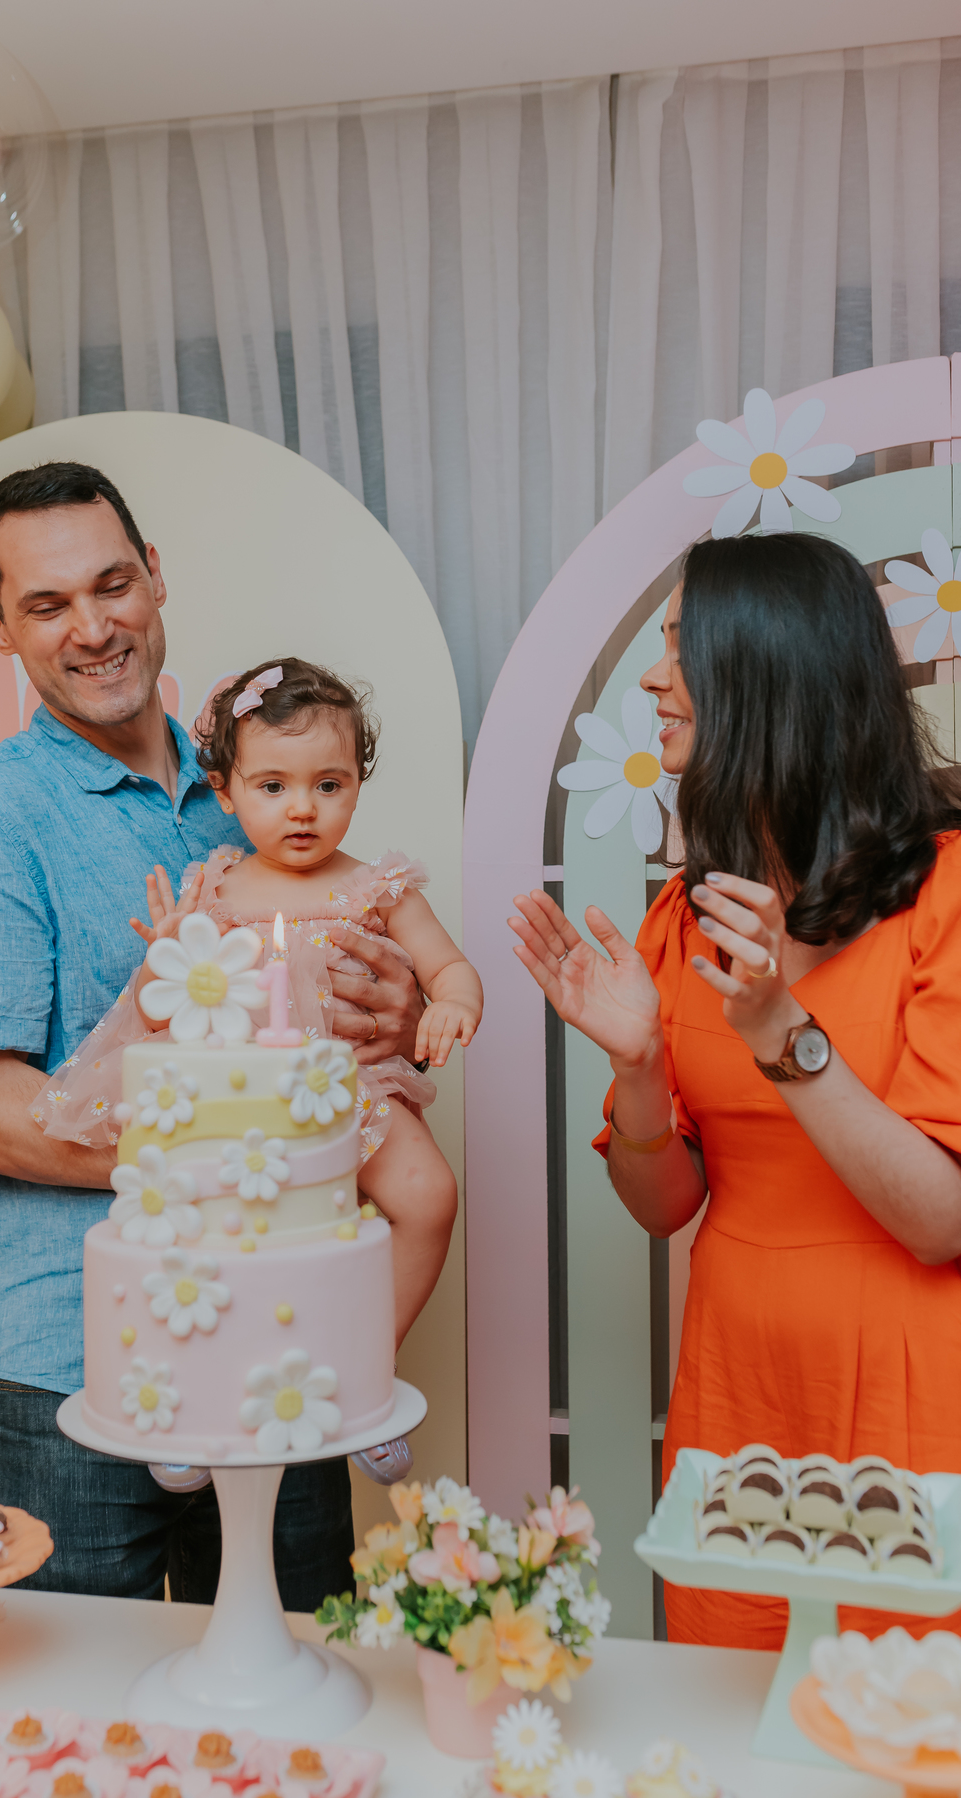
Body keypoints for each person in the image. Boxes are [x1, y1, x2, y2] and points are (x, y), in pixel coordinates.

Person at [0, 461, 427, 1608]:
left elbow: (316, 1022)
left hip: (276, 1345)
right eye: (46, 604)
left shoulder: (257, 794)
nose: (93, 626)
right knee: (81, 1723)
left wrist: (396, 1010)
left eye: (113, 583)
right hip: (64, 1370)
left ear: (156, 579)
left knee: (296, 1688)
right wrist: (238, 1162)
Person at [508, 532, 961, 1649]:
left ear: (768, 670)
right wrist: (640, 1069)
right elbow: (665, 1203)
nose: (656, 679)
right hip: (741, 1391)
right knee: (730, 1708)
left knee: (896, 1726)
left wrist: (780, 1033)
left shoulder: (947, 889)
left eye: (678, 648)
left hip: (915, 1385)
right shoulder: (685, 921)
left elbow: (939, 1218)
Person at [37, 656, 477, 1353]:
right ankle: (184, 1385)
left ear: (357, 787)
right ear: (227, 793)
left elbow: (446, 964)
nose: (302, 807)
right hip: (233, 1104)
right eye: (273, 785)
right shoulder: (212, 888)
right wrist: (168, 955)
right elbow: (158, 1011)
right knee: (197, 1233)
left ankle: (367, 1357)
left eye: (327, 785)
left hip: (346, 1090)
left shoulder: (379, 888)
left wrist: (450, 1002)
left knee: (428, 1194)